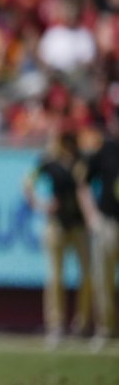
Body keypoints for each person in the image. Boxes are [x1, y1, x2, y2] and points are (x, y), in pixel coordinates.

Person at [24, 123, 93, 348]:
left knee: (87, 276)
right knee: (55, 277)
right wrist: (41, 204)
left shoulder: (81, 161)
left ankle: (82, 323)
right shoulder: (49, 161)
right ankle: (56, 325)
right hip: (56, 224)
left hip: (80, 225)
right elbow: (27, 183)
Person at [78, 117, 119, 351]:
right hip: (107, 222)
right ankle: (105, 329)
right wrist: (91, 216)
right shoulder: (104, 150)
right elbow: (83, 182)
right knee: (102, 279)